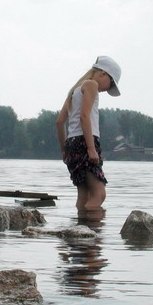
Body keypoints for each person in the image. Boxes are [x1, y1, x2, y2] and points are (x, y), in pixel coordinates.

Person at [56, 55, 121, 211]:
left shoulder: (74, 91)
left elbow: (59, 122)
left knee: (84, 194)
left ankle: (80, 230)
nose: (107, 89)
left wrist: (64, 149)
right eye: (111, 83)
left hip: (72, 144)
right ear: (103, 73)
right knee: (99, 193)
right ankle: (92, 231)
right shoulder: (91, 85)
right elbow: (84, 116)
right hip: (85, 142)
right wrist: (91, 149)